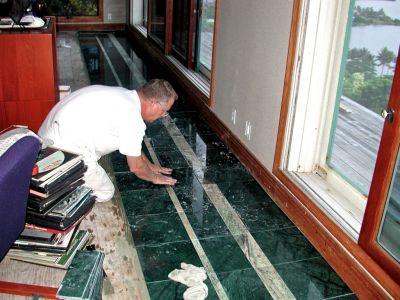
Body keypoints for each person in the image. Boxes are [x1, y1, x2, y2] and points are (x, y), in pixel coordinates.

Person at [38, 79, 178, 202]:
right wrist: (154, 177)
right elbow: (136, 167)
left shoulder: (125, 95)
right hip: (62, 153)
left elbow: (132, 145)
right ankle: (56, 187)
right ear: (154, 103)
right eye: (164, 111)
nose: (163, 115)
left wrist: (150, 166)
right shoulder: (132, 119)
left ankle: (62, 177)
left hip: (46, 137)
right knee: (105, 192)